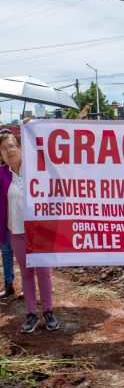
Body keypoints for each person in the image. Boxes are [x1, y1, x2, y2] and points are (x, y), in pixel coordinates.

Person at [0, 131, 59, 333]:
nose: (9, 151)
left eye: (11, 146)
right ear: (1, 155)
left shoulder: (36, 168)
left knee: (44, 273)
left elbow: (54, 165)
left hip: (40, 230)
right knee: (26, 273)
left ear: (20, 147)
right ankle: (31, 314)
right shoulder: (2, 174)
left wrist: (32, 129)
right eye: (3, 148)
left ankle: (48, 312)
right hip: (16, 231)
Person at [0, 129, 16, 298]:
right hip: (4, 217)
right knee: (6, 251)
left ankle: (27, 286)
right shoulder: (1, 170)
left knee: (26, 253)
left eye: (10, 146)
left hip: (21, 217)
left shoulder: (22, 168)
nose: (8, 150)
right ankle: (8, 284)